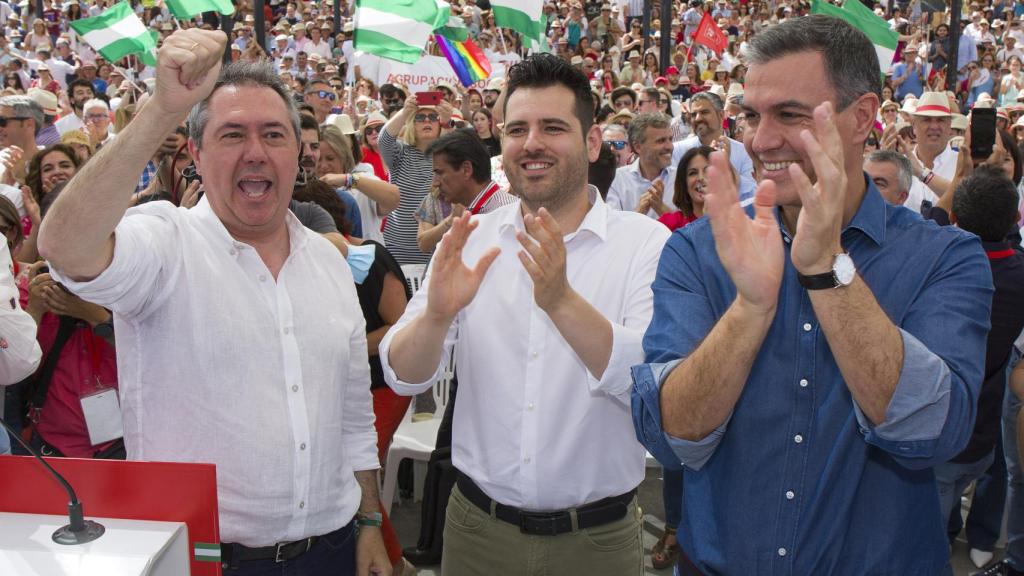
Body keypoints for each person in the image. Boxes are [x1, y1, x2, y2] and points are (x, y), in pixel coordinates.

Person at [631, 15, 992, 575]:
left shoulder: (946, 258)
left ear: (863, 118)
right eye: (751, 115)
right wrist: (750, 309)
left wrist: (826, 268)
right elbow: (673, 435)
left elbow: (935, 432)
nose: (760, 138)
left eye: (790, 115)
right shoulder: (698, 251)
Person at [36, 30, 390, 576]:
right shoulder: (164, 241)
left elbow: (351, 414)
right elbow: (66, 250)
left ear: (298, 153)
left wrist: (370, 521)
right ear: (196, 153)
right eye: (231, 135)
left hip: (332, 550)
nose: (255, 151)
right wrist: (162, 110)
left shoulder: (327, 263)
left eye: (273, 134)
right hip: (206, 560)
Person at [380, 53, 670, 576]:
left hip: (597, 542)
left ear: (592, 142)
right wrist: (436, 316)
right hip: (477, 534)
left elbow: (648, 385)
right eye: (517, 129)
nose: (531, 143)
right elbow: (403, 374)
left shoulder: (645, 244)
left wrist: (561, 300)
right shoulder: (471, 240)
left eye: (552, 127)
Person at [926, 167, 1024, 574]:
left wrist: (960, 169)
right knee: (994, 477)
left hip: (943, 427)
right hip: (989, 427)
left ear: (956, 220)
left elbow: (932, 218)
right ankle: (979, 538)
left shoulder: (940, 261)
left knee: (929, 531)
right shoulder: (1019, 270)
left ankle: (943, 546)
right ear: (1015, 220)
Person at [379, 92, 452, 264]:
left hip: (436, 247)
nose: (427, 121)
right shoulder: (401, 152)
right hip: (397, 246)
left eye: (433, 117)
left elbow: (462, 144)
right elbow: (384, 140)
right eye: (420, 117)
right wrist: (404, 112)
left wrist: (449, 122)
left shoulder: (448, 156)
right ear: (412, 124)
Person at [672, 91, 757, 200]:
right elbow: (676, 194)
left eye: (704, 112)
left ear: (721, 115)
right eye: (694, 114)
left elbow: (752, 196)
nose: (698, 118)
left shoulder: (744, 152)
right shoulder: (678, 150)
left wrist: (727, 168)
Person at [606, 112, 676, 216]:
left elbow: (692, 227)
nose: (669, 146)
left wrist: (661, 208)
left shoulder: (681, 178)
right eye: (661, 141)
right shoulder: (616, 179)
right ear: (638, 147)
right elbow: (613, 227)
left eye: (670, 139)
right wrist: (639, 212)